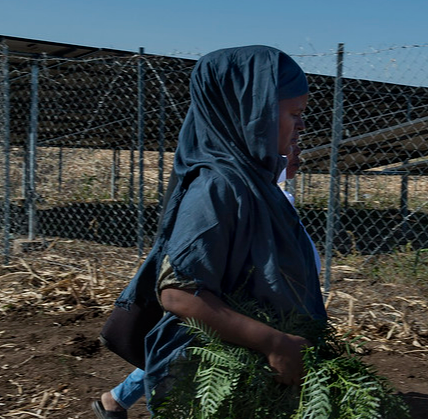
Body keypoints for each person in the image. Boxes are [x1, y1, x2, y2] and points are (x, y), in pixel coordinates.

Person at [93, 45, 323, 418]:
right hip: (202, 376)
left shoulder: (255, 184)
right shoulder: (217, 187)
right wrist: (273, 342)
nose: (302, 125)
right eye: (294, 113)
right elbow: (179, 295)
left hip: (244, 375)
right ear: (250, 112)